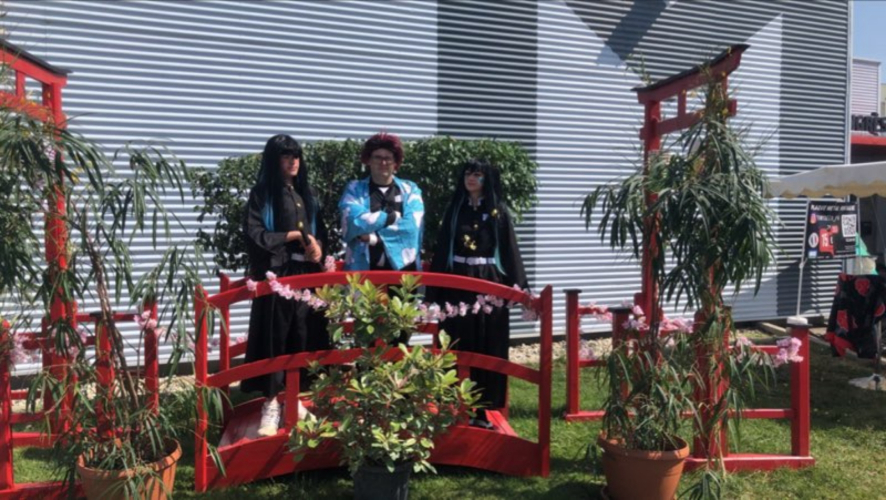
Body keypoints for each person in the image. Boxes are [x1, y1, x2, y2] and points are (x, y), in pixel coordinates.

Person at [429, 159, 528, 429]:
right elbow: (442, 250)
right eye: (467, 173)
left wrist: (521, 291)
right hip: (457, 282)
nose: (470, 178)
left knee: (488, 343)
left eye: (477, 174)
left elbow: (509, 250)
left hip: (487, 281)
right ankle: (452, 406)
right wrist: (432, 294)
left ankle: (483, 411)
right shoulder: (455, 210)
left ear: (487, 179)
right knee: (456, 341)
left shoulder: (498, 212)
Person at [242, 134, 330, 437]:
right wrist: (291, 236)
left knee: (302, 334)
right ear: (274, 160)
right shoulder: (262, 195)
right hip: (278, 275)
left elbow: (320, 233)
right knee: (274, 337)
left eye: (296, 156)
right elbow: (255, 233)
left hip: (305, 274)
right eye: (286, 156)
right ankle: (270, 403)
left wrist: (318, 248)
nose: (293, 161)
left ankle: (295, 398)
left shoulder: (308, 193)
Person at [339, 132, 424, 272]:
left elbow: (411, 228)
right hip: (363, 270)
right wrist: (392, 217)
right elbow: (353, 221)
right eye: (377, 157)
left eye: (388, 158)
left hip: (404, 272)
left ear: (395, 163)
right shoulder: (354, 189)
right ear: (369, 160)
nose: (383, 162)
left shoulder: (410, 190)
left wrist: (372, 238)